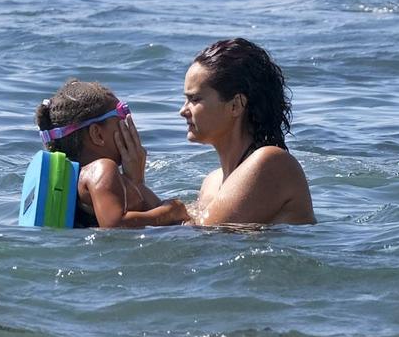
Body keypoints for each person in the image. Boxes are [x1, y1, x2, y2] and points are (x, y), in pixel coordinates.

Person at [180, 38, 315, 225]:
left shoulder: (271, 162)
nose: (183, 110)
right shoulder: (211, 182)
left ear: (236, 105)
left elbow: (202, 234)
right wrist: (135, 183)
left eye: (194, 99)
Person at [36, 79, 190, 228]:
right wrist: (170, 212)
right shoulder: (102, 169)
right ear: (97, 134)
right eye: (122, 116)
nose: (129, 125)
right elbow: (114, 225)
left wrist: (136, 182)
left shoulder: (78, 177)